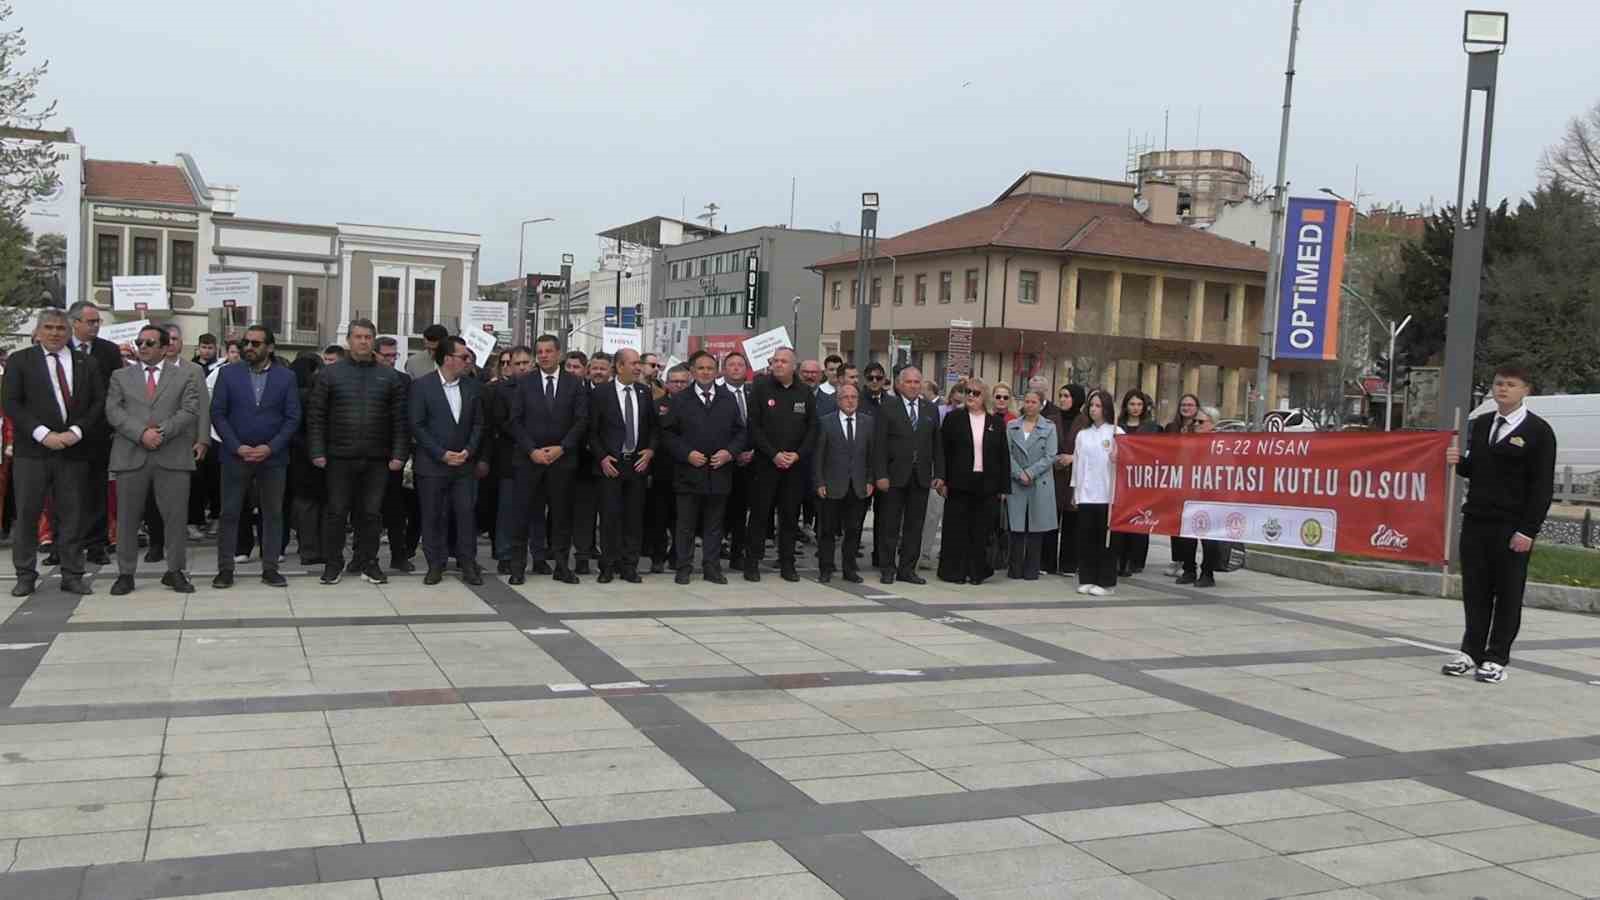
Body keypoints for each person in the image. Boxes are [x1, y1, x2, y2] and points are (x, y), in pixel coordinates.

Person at [1442, 362, 1557, 684]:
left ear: (1525, 391)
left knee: (1507, 593)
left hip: (1512, 527)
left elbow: (1542, 487)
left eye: (1510, 384)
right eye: (1498, 383)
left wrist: (1527, 530)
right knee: (1475, 590)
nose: (1502, 389)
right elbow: (1478, 469)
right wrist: (1459, 463)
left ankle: (1496, 657)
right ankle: (1471, 650)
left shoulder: (1538, 432)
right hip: (1477, 520)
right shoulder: (1480, 424)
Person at [5, 309, 104, 597]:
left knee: (72, 515)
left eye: (60, 328)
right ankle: (25, 574)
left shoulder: (87, 362)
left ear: (70, 331)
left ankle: (72, 574)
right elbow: (11, 402)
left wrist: (75, 432)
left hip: (74, 451)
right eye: (48, 327)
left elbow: (97, 403)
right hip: (32, 452)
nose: (55, 333)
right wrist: (43, 435)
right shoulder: (20, 361)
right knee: (27, 514)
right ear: (37, 331)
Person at [307, 319, 409, 586]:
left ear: (373, 340)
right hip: (339, 456)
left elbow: (400, 419)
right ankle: (333, 563)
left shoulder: (389, 376)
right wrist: (317, 450)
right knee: (337, 512)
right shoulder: (330, 374)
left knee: (372, 514)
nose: (363, 341)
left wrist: (399, 453)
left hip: (377, 458)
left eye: (368, 337)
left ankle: (369, 562)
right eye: (358, 336)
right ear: (349, 340)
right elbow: (316, 416)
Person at [105, 324, 205, 595]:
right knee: (127, 518)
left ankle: (175, 571)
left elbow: (191, 409)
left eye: (150, 343)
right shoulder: (120, 376)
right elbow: (113, 410)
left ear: (163, 348)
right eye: (140, 342)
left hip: (171, 455)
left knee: (175, 517)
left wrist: (161, 432)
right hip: (131, 454)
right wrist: (141, 434)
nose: (144, 347)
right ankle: (125, 573)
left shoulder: (184, 376)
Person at [209, 324, 300, 589]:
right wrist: (237, 446)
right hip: (235, 456)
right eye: (246, 342)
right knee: (230, 513)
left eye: (256, 343)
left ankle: (270, 568)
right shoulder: (228, 374)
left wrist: (271, 447)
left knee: (272, 514)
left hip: (272, 458)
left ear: (270, 347)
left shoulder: (286, 377)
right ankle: (225, 569)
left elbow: (293, 417)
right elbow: (218, 414)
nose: (249, 347)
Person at [508, 334, 589, 585]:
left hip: (562, 461)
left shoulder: (574, 384)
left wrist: (563, 447)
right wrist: (532, 450)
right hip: (528, 460)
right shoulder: (524, 382)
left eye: (548, 351)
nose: (543, 355)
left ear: (559, 354)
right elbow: (515, 421)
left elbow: (581, 420)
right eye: (539, 351)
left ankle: (562, 566)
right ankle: (518, 567)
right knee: (521, 515)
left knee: (562, 516)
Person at [662, 351, 745, 585]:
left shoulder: (727, 398)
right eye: (701, 368)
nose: (706, 372)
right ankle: (683, 567)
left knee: (714, 525)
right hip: (688, 473)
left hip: (719, 473)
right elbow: (668, 434)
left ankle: (712, 567)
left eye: (710, 368)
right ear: (692, 372)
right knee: (686, 525)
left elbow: (740, 431)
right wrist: (687, 454)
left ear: (716, 371)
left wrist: (729, 453)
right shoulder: (680, 400)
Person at [409, 335, 485, 586]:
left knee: (465, 515)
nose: (467, 361)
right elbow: (417, 426)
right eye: (463, 357)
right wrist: (441, 453)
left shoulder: (473, 387)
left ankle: (467, 563)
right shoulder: (422, 386)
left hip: (464, 465)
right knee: (433, 515)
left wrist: (468, 451)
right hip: (432, 465)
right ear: (447, 359)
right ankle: (435, 564)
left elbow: (478, 424)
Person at [743, 348, 815, 582]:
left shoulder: (804, 392)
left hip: (794, 467)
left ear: (794, 366)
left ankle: (787, 563)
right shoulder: (761, 388)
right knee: (760, 515)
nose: (778, 365)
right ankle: (752, 562)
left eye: (783, 361)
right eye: (775, 361)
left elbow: (812, 429)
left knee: (790, 516)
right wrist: (773, 454)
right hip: (766, 464)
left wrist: (797, 455)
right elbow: (754, 426)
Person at [590, 348, 656, 583]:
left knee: (633, 518)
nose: (638, 367)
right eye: (634, 363)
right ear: (619, 367)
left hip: (637, 464)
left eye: (639, 363)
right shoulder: (601, 393)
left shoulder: (643, 392)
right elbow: (592, 431)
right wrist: (601, 457)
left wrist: (650, 450)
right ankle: (607, 565)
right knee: (609, 517)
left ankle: (629, 565)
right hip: (612, 464)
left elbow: (653, 427)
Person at [872, 366, 943, 585]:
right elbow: (879, 445)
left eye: (917, 382)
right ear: (900, 384)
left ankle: (907, 569)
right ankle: (887, 568)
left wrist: (939, 473)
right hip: (893, 476)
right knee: (889, 524)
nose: (913, 386)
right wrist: (880, 474)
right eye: (909, 382)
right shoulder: (887, 407)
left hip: (920, 477)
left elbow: (937, 445)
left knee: (915, 525)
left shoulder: (930, 409)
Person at [66, 301, 121, 565]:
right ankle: (62, 544)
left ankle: (97, 544)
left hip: (98, 432)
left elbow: (115, 391)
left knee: (97, 490)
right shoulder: (60, 349)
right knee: (64, 491)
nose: (96, 326)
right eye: (90, 322)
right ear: (74, 323)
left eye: (98, 321)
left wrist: (110, 426)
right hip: (63, 433)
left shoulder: (108, 351)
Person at [936, 379, 1007, 584]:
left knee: (981, 529)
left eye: (976, 393)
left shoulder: (996, 423)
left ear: (984, 396)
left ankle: (977, 572)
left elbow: (1003, 456)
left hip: (986, 484)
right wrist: (943, 480)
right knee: (956, 529)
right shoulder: (953, 418)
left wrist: (1003, 487)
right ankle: (954, 572)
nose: (971, 396)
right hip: (959, 483)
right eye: (968, 392)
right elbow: (944, 451)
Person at [812, 382, 875, 584]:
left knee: (854, 530)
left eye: (854, 397)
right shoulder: (825, 422)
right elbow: (818, 456)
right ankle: (826, 568)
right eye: (846, 397)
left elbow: (871, 455)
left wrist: (869, 480)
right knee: (827, 530)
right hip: (831, 485)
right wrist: (819, 482)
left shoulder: (868, 422)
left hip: (858, 486)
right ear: (838, 401)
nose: (850, 401)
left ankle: (849, 569)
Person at [375, 336, 420, 573]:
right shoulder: (366, 376)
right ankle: (364, 556)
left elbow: (408, 419)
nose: (391, 360)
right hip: (368, 450)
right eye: (386, 355)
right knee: (367, 508)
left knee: (395, 508)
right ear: (375, 355)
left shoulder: (404, 381)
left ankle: (399, 555)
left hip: (395, 453)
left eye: (395, 356)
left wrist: (402, 453)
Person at [1072, 389, 1123, 596]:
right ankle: (1087, 577)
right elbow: (1077, 465)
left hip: (1107, 495)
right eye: (1091, 405)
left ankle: (1106, 581)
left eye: (1098, 405)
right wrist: (1075, 492)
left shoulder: (1117, 433)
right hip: (1086, 494)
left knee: (1106, 541)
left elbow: (1129, 464)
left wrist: (1118, 457)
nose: (1094, 409)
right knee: (1086, 539)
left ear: (1107, 408)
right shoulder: (1083, 435)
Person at [486, 345, 532, 574]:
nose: (522, 367)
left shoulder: (539, 387)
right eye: (518, 363)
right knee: (507, 510)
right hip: (511, 458)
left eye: (526, 363)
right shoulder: (500, 390)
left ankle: (539, 555)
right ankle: (505, 554)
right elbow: (502, 422)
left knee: (534, 511)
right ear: (510, 366)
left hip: (538, 458)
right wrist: (529, 441)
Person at [1007, 389, 1058, 580]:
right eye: (1026, 401)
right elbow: (1007, 453)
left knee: (1036, 527)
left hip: (1040, 482)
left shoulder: (1049, 427)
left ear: (1041, 404)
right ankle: (1015, 569)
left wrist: (1030, 472)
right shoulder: (1012, 426)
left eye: (1033, 402)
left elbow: (1051, 456)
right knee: (1017, 526)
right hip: (1016, 480)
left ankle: (1031, 570)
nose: (1029, 405)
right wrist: (1019, 472)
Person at [644, 364, 690, 573]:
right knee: (659, 517)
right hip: (661, 469)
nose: (679, 385)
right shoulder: (656, 405)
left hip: (688, 468)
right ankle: (657, 557)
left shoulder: (694, 404)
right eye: (675, 381)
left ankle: (677, 556)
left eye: (683, 381)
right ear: (667, 383)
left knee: (682, 518)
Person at [1171, 406, 1224, 588]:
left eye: (1201, 422)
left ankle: (1207, 573)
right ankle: (1189, 570)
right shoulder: (1189, 442)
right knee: (1187, 535)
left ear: (1213, 424)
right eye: (1195, 421)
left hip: (1211, 497)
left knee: (1209, 538)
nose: (1196, 424)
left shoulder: (1221, 445)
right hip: (1189, 495)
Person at [571, 353, 612, 575]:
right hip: (584, 464)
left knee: (608, 513)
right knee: (584, 515)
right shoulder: (579, 392)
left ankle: (608, 557)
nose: (598, 372)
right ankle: (582, 557)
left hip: (610, 463)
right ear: (588, 370)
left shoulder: (616, 393)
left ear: (610, 371)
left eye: (602, 369)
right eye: (594, 368)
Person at [1114, 390, 1161, 576]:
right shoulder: (1118, 426)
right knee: (1121, 519)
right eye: (1132, 404)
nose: (1135, 408)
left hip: (1143, 480)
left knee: (1141, 520)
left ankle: (1136, 561)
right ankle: (1120, 559)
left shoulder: (1152, 427)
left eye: (1139, 405)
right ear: (1126, 406)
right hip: (1121, 480)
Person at [717, 351, 755, 571]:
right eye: (731, 364)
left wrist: (751, 452)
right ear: (724, 368)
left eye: (740, 364)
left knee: (742, 511)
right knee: (722, 509)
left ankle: (737, 553)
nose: (736, 368)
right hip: (725, 459)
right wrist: (733, 452)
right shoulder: (718, 393)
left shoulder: (753, 393)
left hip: (750, 461)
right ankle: (718, 546)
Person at [288, 353, 325, 567]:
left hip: (303, 457)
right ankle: (313, 549)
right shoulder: (306, 396)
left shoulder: (297, 394)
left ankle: (309, 548)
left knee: (308, 505)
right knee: (313, 505)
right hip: (310, 457)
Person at [1161, 393, 1203, 577]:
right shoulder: (1172, 427)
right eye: (1183, 404)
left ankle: (1189, 563)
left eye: (1190, 405)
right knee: (1175, 522)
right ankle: (1176, 558)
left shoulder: (1200, 427)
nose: (1186, 408)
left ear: (1197, 408)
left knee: (1191, 524)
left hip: (1194, 482)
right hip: (1174, 480)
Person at [1048, 384, 1086, 577]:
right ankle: (1046, 563)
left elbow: (1091, 451)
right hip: (1053, 477)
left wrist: (1073, 458)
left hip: (1075, 478)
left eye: (1067, 396)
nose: (1062, 399)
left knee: (1072, 523)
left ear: (1077, 399)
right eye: (1060, 395)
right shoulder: (1050, 420)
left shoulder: (1086, 422)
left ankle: (1069, 564)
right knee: (1050, 521)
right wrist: (1054, 459)